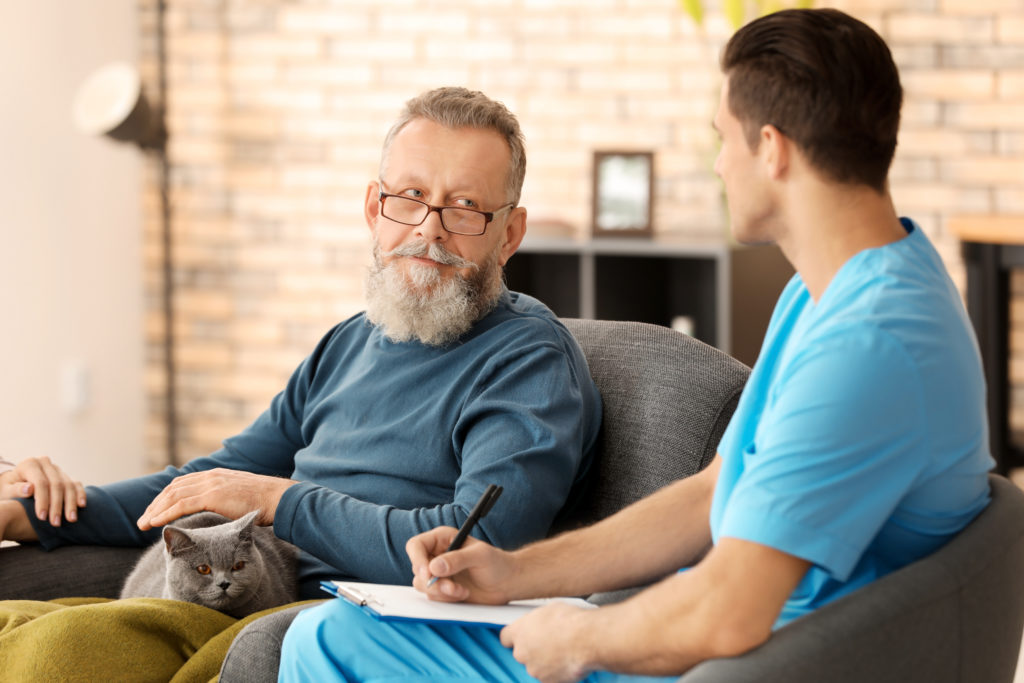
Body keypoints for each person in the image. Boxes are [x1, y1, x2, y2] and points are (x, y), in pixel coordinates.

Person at [277, 9, 994, 683]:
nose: (719, 166)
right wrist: (513, 573)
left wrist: (579, 636)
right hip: (717, 638)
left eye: (723, 138)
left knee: (325, 639)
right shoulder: (835, 287)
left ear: (770, 149)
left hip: (744, 662)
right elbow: (714, 493)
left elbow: (727, 611)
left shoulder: (867, 343)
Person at [0, 87, 601, 677]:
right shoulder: (351, 340)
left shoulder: (529, 363)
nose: (429, 228)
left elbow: (481, 547)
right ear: (375, 209)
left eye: (465, 206)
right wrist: (44, 516)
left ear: (510, 235)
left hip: (355, 620)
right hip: (250, 583)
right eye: (411, 197)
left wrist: (277, 501)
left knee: (63, 646)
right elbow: (209, 482)